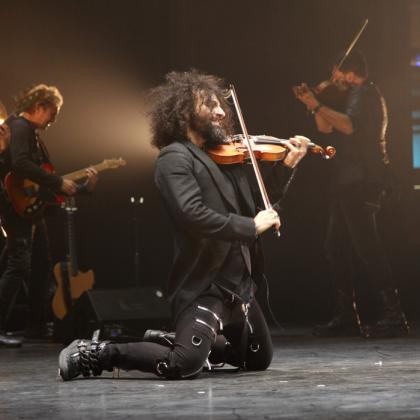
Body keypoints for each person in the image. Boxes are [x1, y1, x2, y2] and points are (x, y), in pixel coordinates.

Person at [58, 69, 309, 380]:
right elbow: (191, 214)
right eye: (209, 104)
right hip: (206, 285)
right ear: (185, 112)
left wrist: (286, 166)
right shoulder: (174, 158)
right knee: (183, 364)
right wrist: (250, 227)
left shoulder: (225, 158)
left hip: (239, 287)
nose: (221, 112)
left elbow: (255, 205)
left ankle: (168, 340)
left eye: (221, 105)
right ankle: (96, 353)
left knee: (257, 360)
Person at [295, 50, 408, 337]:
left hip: (362, 179)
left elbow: (348, 126)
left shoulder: (365, 93)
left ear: (349, 73)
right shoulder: (350, 96)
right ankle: (347, 315)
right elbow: (325, 128)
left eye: (336, 74)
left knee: (367, 245)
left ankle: (394, 315)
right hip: (347, 180)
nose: (333, 80)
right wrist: (314, 104)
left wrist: (317, 103)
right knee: (336, 245)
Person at [0, 84, 98, 347]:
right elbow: (20, 164)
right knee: (18, 264)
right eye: (52, 113)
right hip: (15, 207)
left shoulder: (31, 133)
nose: (53, 120)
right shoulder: (19, 127)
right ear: (39, 106)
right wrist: (57, 182)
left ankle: (36, 325)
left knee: (40, 264)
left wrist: (83, 188)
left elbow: (41, 182)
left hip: (30, 209)